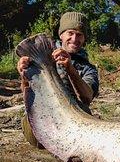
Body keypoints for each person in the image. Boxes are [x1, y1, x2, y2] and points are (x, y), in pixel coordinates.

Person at [17, 11, 99, 148]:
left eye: (79, 35)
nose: (74, 38)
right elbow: (27, 93)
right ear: (61, 35)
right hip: (42, 119)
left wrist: (70, 69)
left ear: (84, 39)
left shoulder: (89, 68)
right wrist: (24, 75)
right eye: (70, 33)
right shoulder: (41, 58)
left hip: (75, 121)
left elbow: (87, 97)